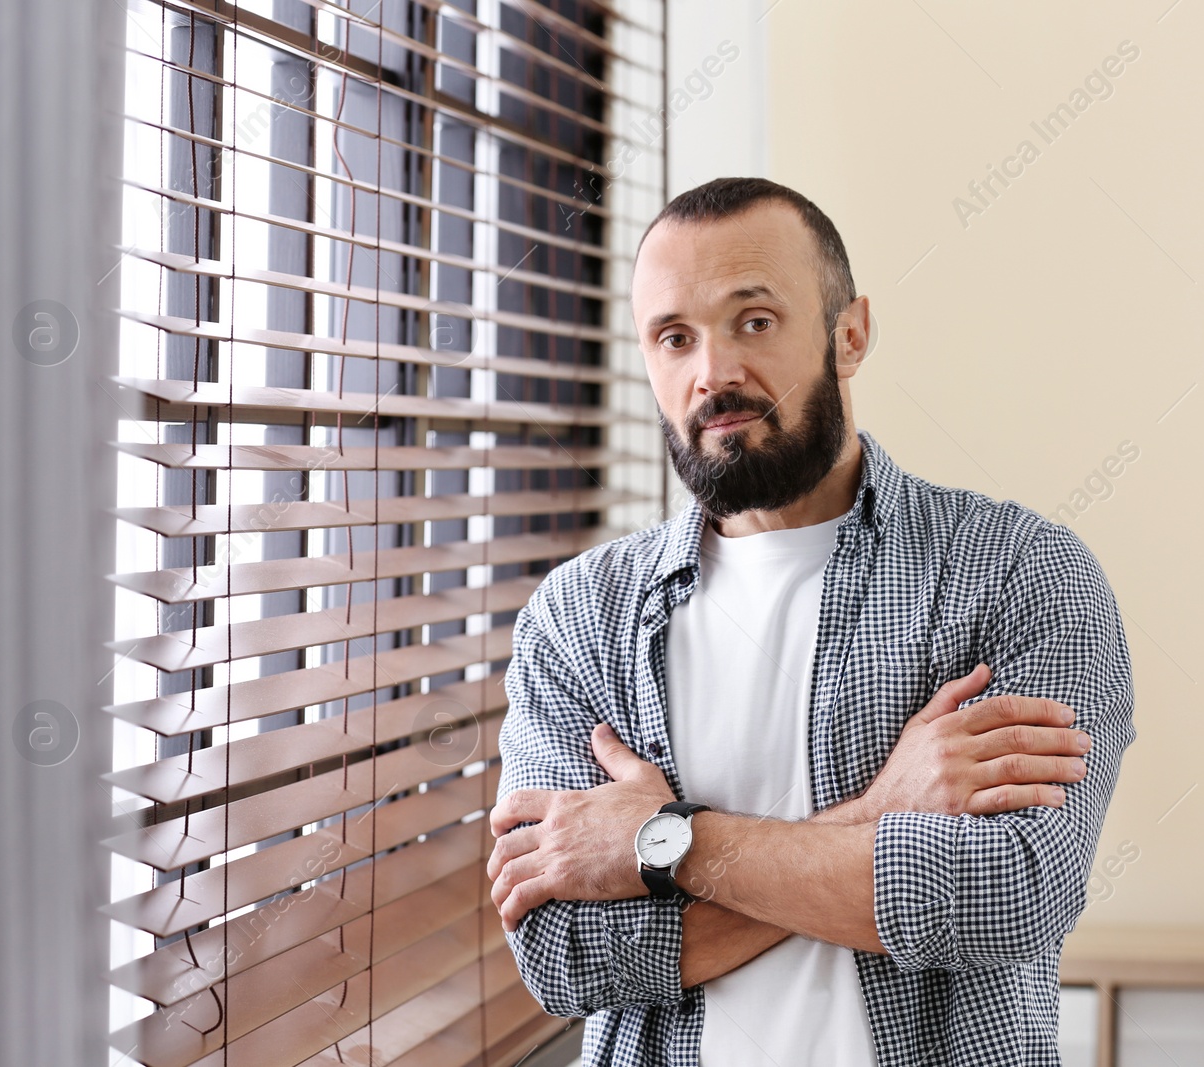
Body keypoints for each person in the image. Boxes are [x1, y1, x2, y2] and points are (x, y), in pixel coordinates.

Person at [485, 176, 1136, 1066]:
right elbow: (565, 959)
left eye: (754, 321)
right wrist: (880, 813)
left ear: (850, 333)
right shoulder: (578, 616)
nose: (712, 373)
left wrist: (657, 841)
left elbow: (1008, 894)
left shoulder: (1019, 572)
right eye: (674, 338)